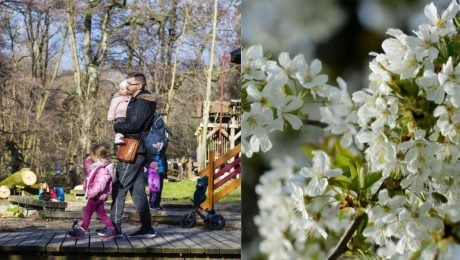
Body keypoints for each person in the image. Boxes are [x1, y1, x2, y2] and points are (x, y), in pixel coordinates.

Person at [100, 72, 157, 239]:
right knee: (137, 190)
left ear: (139, 86)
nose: (127, 86)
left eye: (130, 84)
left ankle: (114, 228)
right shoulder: (140, 101)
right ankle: (147, 228)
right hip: (138, 149)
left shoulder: (142, 102)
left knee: (120, 187)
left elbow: (134, 125)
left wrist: (117, 125)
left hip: (132, 149)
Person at [68, 144, 116, 240]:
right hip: (97, 196)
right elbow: (89, 169)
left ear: (96, 156)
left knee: (87, 212)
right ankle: (111, 229)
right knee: (102, 214)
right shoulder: (97, 166)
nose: (91, 158)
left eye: (92, 156)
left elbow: (100, 184)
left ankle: (81, 231)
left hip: (96, 195)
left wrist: (92, 192)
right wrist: (88, 159)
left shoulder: (102, 169)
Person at [107, 79, 131, 144]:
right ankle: (118, 138)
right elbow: (112, 107)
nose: (120, 91)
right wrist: (111, 117)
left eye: (122, 89)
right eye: (120, 89)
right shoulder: (117, 97)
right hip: (120, 115)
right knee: (120, 126)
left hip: (128, 115)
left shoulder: (130, 97)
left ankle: (123, 138)